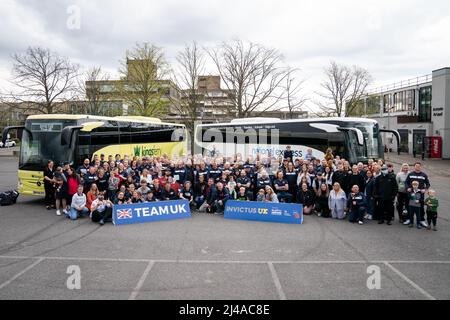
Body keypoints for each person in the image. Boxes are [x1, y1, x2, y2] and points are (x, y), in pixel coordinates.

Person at [405, 162, 431, 228]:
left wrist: (425, 189)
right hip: (412, 193)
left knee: (421, 208)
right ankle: (409, 220)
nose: (417, 167)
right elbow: (406, 182)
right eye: (416, 166)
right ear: (414, 167)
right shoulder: (410, 174)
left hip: (420, 194)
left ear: (420, 167)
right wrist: (408, 188)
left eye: (419, 166)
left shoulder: (424, 175)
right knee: (410, 208)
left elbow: (428, 184)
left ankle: (421, 220)